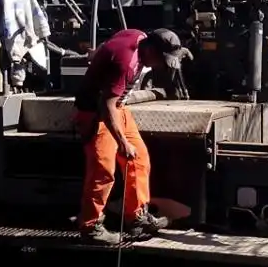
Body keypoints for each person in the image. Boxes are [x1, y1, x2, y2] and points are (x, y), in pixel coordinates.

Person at [73, 28, 188, 245]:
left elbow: (110, 45)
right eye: (161, 59)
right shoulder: (126, 62)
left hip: (117, 108)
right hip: (97, 113)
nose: (160, 66)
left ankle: (136, 218)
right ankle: (90, 227)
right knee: (103, 170)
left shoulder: (137, 36)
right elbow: (105, 106)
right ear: (151, 50)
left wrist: (97, 54)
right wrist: (122, 142)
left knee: (139, 159)